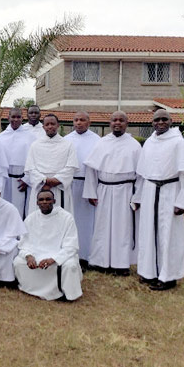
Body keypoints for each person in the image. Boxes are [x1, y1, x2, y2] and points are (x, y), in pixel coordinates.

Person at [133, 110, 184, 290]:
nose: (160, 122)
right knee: (148, 233)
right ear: (152, 123)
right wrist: (138, 197)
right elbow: (141, 174)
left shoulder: (179, 143)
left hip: (170, 191)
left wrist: (183, 201)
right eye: (157, 120)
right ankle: (149, 273)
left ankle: (168, 277)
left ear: (171, 121)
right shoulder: (148, 142)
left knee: (169, 235)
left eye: (164, 119)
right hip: (149, 191)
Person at [83, 111, 142, 276]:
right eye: (114, 120)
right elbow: (91, 170)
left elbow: (141, 175)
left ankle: (121, 264)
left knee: (123, 228)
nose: (117, 123)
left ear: (126, 123)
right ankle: (101, 262)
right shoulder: (102, 143)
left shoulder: (134, 145)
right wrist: (91, 192)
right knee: (102, 227)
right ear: (110, 123)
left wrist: (137, 197)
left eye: (121, 120)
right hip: (104, 190)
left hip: (125, 192)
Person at [13, 189, 83, 301]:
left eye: (48, 199)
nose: (44, 202)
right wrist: (29, 256)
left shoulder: (66, 218)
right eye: (41, 200)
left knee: (70, 266)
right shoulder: (31, 218)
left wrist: (53, 259)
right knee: (18, 262)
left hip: (60, 256)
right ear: (37, 203)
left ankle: (65, 293)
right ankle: (31, 289)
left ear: (54, 201)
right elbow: (23, 244)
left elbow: (71, 246)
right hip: (36, 255)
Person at [64, 112, 100, 268]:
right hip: (69, 184)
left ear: (89, 122)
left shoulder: (98, 141)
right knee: (70, 221)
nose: (79, 123)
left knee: (87, 223)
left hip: (88, 185)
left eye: (82, 120)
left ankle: (86, 255)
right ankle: (70, 253)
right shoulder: (66, 140)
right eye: (76, 120)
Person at [24, 113, 78, 215]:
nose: (50, 126)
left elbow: (71, 167)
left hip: (60, 188)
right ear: (43, 126)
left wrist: (55, 181)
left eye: (52, 124)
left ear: (58, 125)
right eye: (47, 124)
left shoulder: (67, 144)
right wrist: (43, 182)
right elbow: (31, 169)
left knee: (61, 220)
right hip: (41, 189)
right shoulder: (35, 145)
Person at [0, 108, 36, 218]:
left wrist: (27, 179)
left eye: (18, 117)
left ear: (22, 118)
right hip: (5, 179)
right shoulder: (1, 137)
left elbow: (34, 160)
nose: (15, 119)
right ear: (8, 118)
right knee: (4, 210)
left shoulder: (30, 136)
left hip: (22, 180)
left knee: (20, 210)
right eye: (13, 117)